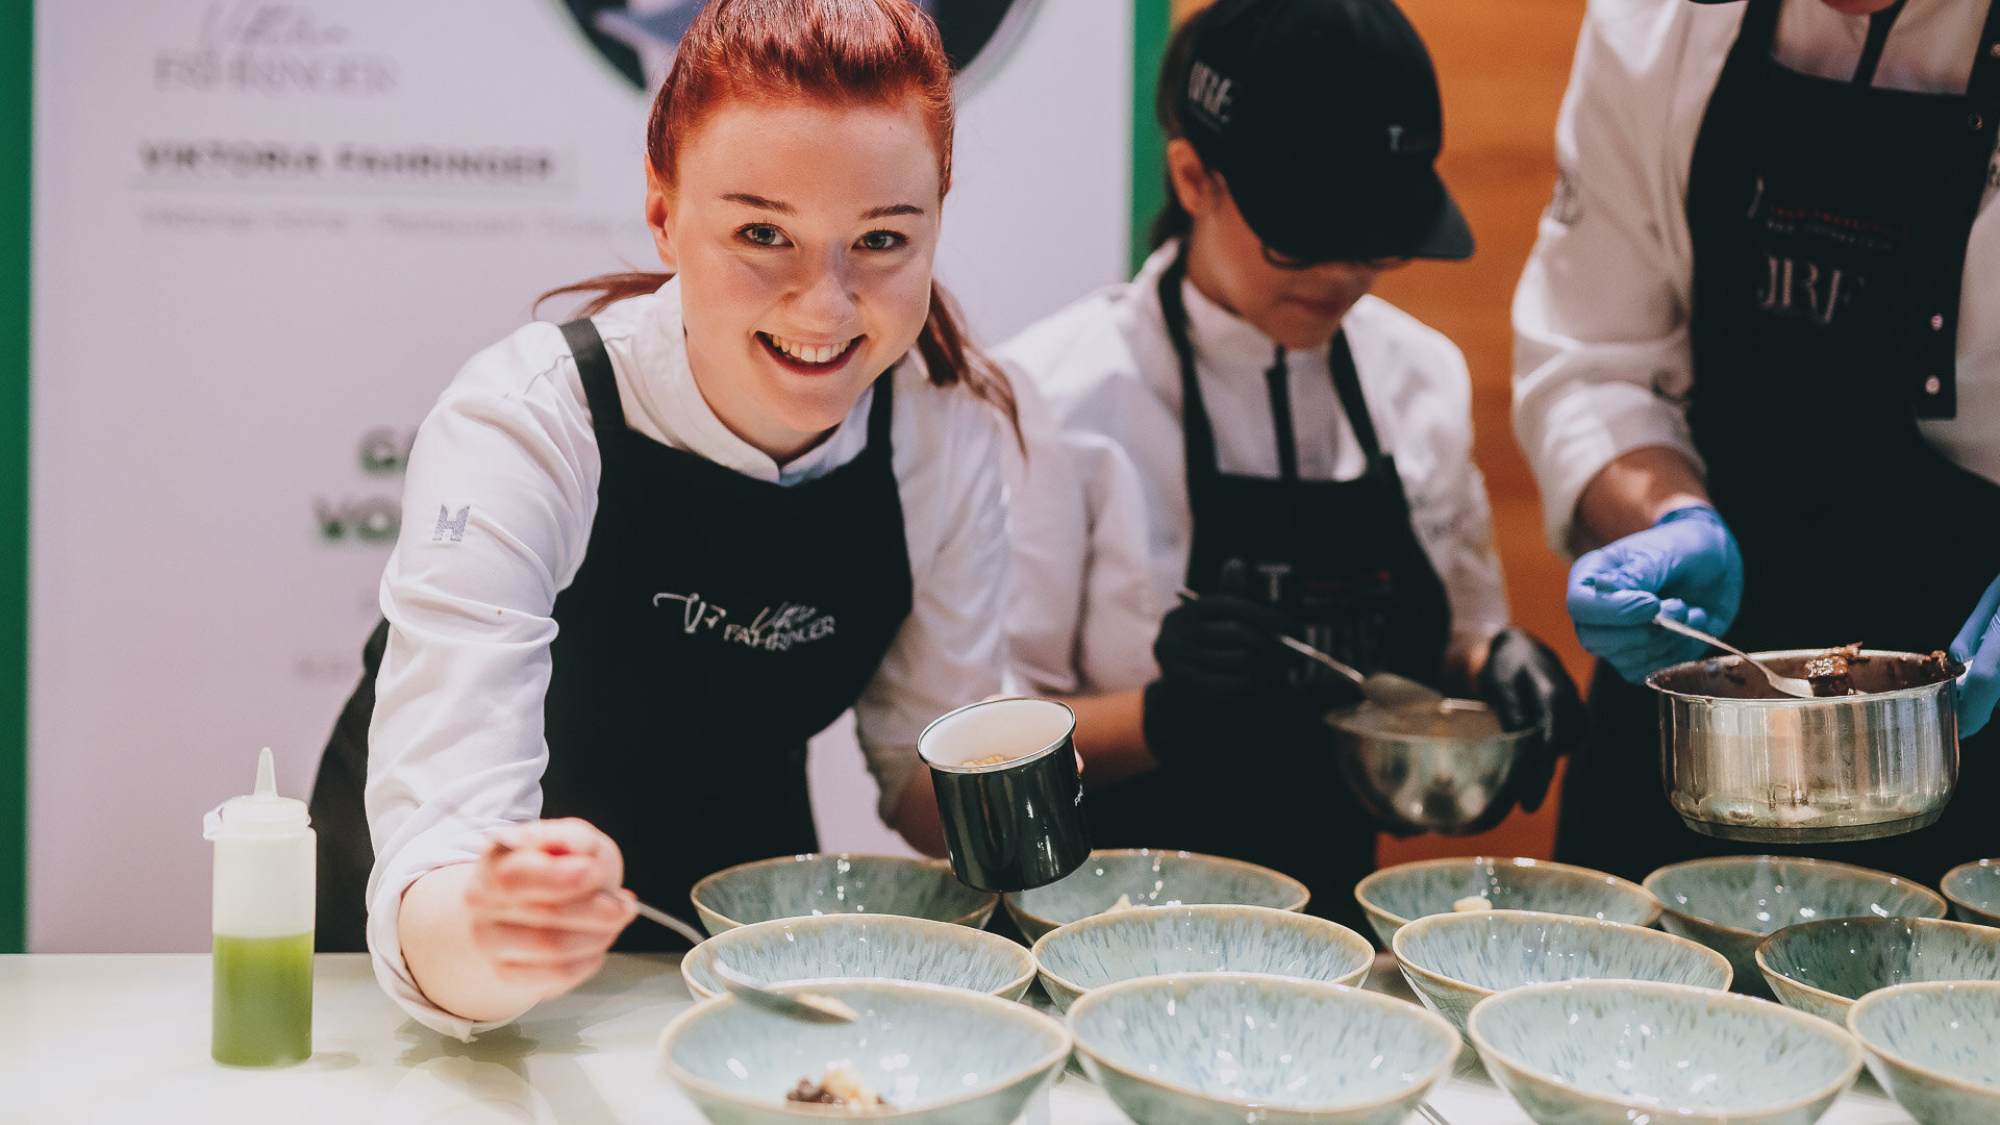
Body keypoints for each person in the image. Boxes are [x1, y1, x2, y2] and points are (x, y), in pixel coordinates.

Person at [307, 0, 1015, 1038]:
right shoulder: (529, 421)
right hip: (443, 945)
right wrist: (504, 926)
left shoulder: (940, 438)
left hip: (736, 941)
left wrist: (1028, 807)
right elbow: (445, 839)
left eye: (879, 240)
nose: (822, 307)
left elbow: (919, 770)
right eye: (761, 233)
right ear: (662, 209)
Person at [998, 0, 1584, 935]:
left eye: (1378, 240)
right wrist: (1158, 717)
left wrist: (1496, 665)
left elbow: (1460, 637)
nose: (1344, 275)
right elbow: (987, 739)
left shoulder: (1417, 375)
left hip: (1335, 935)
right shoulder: (1060, 395)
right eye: (1305, 237)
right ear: (1194, 177)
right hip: (1093, 933)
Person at [1515, 0, 2000, 885]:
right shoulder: (1655, 21)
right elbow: (1592, 358)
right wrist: (1660, 515)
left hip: (1975, 688)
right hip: (1699, 688)